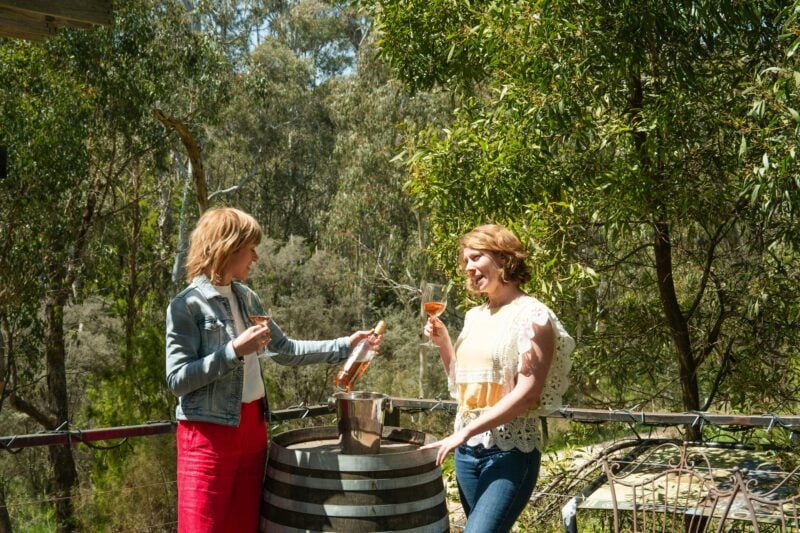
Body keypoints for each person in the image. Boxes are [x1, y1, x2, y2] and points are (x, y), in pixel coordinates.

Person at [165, 207, 379, 533]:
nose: (256, 257)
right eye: (250, 248)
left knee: (244, 527)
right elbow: (178, 380)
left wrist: (346, 345)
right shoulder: (187, 305)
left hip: (253, 428)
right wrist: (234, 351)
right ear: (227, 247)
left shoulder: (248, 298)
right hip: (207, 436)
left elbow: (288, 350)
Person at [421, 223, 575, 533]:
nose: (469, 267)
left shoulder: (533, 315)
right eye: (465, 261)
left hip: (510, 453)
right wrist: (444, 344)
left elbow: (528, 394)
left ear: (504, 259)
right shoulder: (474, 316)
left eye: (476, 258)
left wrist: (461, 435)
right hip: (466, 457)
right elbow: (462, 383)